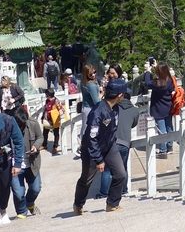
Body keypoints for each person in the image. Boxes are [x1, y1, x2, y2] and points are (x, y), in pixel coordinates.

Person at [72, 77, 129, 215]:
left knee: (120, 174)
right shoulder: (98, 111)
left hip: (109, 146)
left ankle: (112, 203)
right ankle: (78, 204)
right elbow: (91, 138)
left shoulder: (116, 108)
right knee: (86, 180)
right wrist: (98, 160)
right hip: (91, 149)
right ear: (120, 95)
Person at [98, 88, 139, 199]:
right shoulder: (135, 111)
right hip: (125, 143)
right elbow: (133, 124)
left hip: (111, 142)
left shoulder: (112, 108)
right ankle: (124, 191)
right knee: (123, 168)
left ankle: (104, 194)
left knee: (107, 169)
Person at [11, 107, 44, 218]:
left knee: (36, 188)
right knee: (18, 193)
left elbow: (40, 137)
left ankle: (29, 203)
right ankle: (21, 212)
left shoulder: (33, 124)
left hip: (31, 163)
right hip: (15, 165)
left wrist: (36, 146)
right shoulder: (7, 128)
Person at [145, 62, 175, 158]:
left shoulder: (157, 83)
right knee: (169, 127)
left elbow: (147, 83)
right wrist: (157, 67)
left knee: (161, 130)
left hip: (158, 109)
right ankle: (170, 146)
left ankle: (163, 151)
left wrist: (148, 71)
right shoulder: (170, 80)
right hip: (168, 107)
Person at [41, 88, 66, 155]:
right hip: (48, 120)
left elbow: (61, 108)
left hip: (54, 120)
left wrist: (60, 111)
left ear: (49, 95)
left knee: (56, 133)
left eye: (46, 95)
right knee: (45, 133)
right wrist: (43, 117)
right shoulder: (47, 101)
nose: (45, 96)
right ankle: (44, 144)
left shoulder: (56, 101)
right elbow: (45, 110)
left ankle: (55, 146)